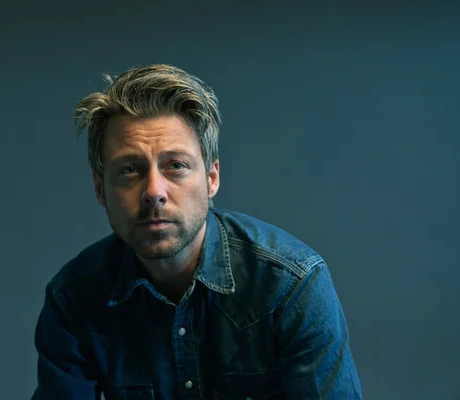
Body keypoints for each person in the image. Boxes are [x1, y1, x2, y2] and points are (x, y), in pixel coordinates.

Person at [31, 64, 363, 399]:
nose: (153, 191)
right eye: (129, 170)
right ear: (100, 189)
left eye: (175, 165)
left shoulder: (290, 286)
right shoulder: (74, 298)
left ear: (211, 178)